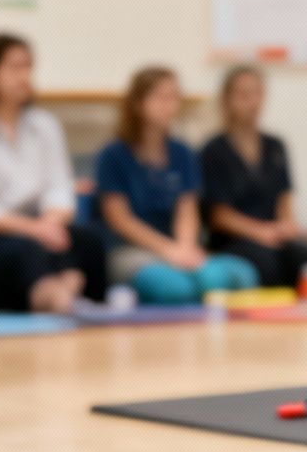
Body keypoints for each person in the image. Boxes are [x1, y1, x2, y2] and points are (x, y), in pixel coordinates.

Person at [0, 33, 106, 313]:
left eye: (28, 66)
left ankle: (69, 299)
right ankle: (60, 298)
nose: (23, 76)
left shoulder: (44, 124)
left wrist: (51, 222)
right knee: (25, 251)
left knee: (88, 240)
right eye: (14, 67)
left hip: (40, 229)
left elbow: (59, 186)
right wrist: (34, 229)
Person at [95, 66, 258, 304]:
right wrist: (168, 250)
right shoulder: (113, 155)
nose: (169, 105)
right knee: (175, 288)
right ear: (138, 103)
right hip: (133, 250)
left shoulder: (182, 153)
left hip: (179, 248)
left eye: (173, 97)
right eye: (160, 97)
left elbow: (187, 210)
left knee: (244, 274)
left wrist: (184, 248)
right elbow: (120, 220)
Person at [199, 65, 307, 290]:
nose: (253, 102)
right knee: (267, 265)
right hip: (235, 239)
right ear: (227, 100)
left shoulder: (275, 146)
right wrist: (261, 232)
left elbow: (284, 196)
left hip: (274, 234)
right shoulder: (213, 151)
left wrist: (287, 226)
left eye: (258, 94)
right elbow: (219, 216)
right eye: (244, 95)